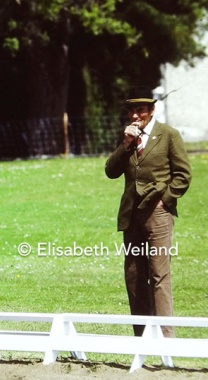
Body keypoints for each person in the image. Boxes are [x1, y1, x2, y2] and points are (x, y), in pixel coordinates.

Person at [105, 85, 191, 337]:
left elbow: (183, 175)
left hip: (158, 214)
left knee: (159, 274)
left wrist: (166, 199)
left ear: (151, 111)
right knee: (133, 275)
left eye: (140, 111)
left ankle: (166, 338)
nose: (135, 116)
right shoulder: (127, 137)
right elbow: (111, 171)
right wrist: (125, 144)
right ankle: (141, 337)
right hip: (131, 215)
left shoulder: (169, 135)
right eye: (131, 111)